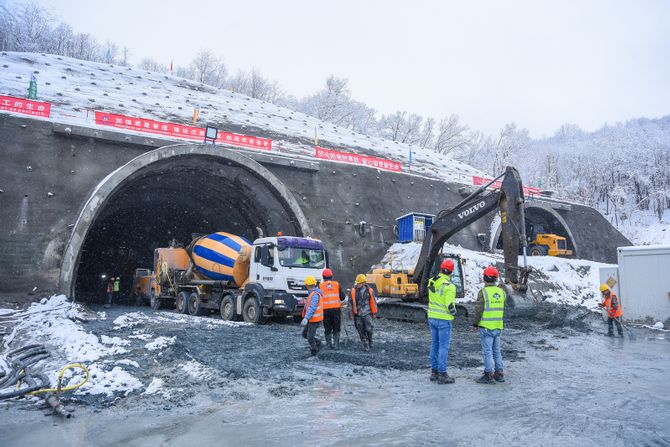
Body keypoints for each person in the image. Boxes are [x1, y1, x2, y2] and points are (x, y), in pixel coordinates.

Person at [472, 266, 506, 384]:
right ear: (496, 278)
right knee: (497, 351)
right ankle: (499, 374)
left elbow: (478, 310)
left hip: (486, 327)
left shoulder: (483, 292)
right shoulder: (501, 292)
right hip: (498, 326)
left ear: (485, 278)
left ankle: (488, 374)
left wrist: (475, 324)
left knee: (487, 352)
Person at [427, 259, 457, 384]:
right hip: (443, 320)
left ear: (441, 268)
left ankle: (434, 372)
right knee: (443, 346)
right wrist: (454, 312)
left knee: (435, 344)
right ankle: (442, 373)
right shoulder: (449, 286)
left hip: (432, 317)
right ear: (451, 271)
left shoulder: (432, 281)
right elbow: (449, 304)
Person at [350, 274, 378, 351]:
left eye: (359, 283)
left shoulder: (369, 291)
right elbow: (350, 303)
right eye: (357, 283)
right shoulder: (353, 291)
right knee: (360, 330)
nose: (357, 284)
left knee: (369, 329)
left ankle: (370, 340)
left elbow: (373, 302)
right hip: (358, 314)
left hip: (368, 313)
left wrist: (374, 313)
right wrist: (351, 314)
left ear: (363, 283)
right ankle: (365, 344)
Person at [320, 268, 346, 349]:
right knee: (336, 327)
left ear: (323, 277)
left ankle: (328, 345)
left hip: (325, 310)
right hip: (336, 310)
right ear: (331, 276)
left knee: (327, 327)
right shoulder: (337, 284)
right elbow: (342, 297)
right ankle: (336, 345)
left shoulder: (320, 285)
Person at [301, 275, 324, 356]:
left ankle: (314, 352)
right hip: (312, 319)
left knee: (310, 337)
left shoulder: (314, 295)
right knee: (305, 334)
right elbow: (311, 305)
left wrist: (306, 318)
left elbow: (313, 308)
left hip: (314, 320)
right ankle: (318, 343)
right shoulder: (312, 293)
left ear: (307, 285)